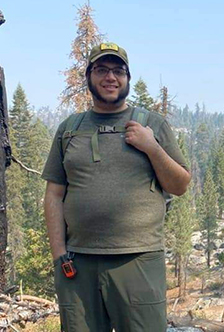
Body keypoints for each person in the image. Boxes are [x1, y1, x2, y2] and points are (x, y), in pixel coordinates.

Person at [42, 42, 191, 331]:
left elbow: (180, 184)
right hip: (78, 264)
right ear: (89, 77)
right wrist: (59, 254)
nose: (110, 77)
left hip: (139, 260)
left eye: (118, 71)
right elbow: (54, 194)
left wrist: (152, 148)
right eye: (101, 70)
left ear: (127, 79)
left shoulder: (152, 125)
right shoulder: (70, 129)